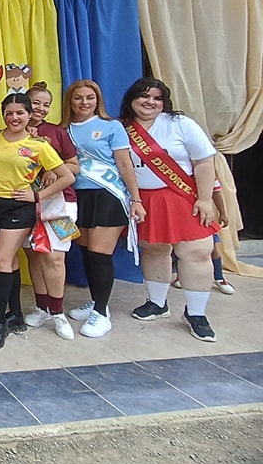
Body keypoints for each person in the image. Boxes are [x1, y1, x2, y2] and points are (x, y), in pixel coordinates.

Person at [120, 77, 220, 342]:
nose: (150, 102)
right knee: (154, 249)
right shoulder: (121, 128)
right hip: (143, 200)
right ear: (132, 99)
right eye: (144, 96)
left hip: (182, 196)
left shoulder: (180, 124)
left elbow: (204, 161)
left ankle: (196, 313)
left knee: (196, 252)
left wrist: (205, 199)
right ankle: (157, 303)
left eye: (157, 98)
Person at [0, 93, 75, 350]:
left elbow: (67, 176)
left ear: (29, 115)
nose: (14, 118)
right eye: (9, 113)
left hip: (19, 208)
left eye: (20, 113)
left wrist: (37, 196)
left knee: (1, 259)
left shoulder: (39, 145)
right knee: (9, 260)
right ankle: (15, 314)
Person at [62, 79, 144, 338]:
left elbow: (125, 164)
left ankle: (101, 313)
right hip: (77, 196)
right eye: (78, 97)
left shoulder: (112, 127)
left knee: (100, 254)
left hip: (107, 195)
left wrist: (136, 199)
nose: (84, 102)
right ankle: (98, 301)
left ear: (98, 100)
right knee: (87, 252)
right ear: (70, 101)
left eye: (90, 97)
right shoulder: (63, 129)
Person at [21, 83, 81, 340]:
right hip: (25, 203)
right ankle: (42, 307)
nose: (41, 108)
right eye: (36, 103)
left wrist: (54, 171)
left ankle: (58, 313)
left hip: (63, 204)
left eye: (46, 105)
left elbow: (75, 166)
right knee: (34, 255)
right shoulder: (14, 132)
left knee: (56, 257)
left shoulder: (58, 132)